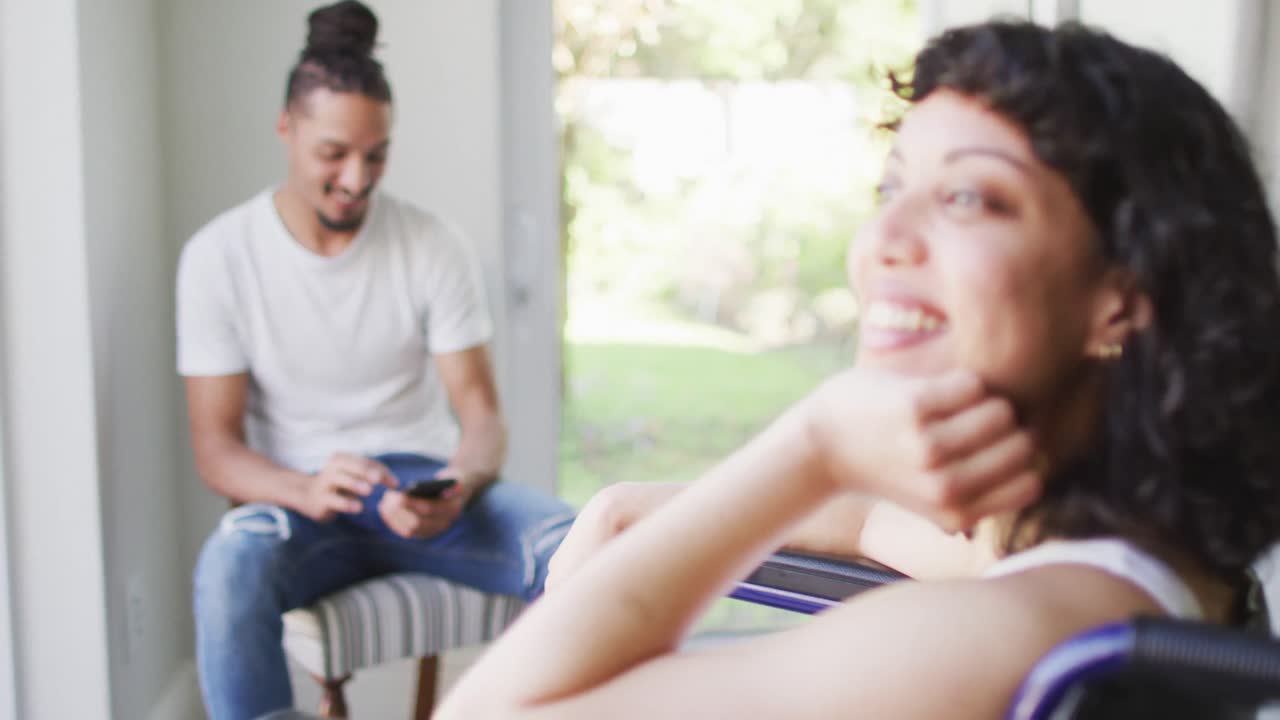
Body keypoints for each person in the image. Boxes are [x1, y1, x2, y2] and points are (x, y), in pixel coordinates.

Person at [437, 20, 1280, 719]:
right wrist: (630, 509)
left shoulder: (972, 644)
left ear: (1120, 297)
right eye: (890, 191)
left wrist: (813, 447)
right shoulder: (1151, 570)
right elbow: (880, 527)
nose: (880, 242)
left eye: (967, 198)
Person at [176, 3, 575, 718]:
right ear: (286, 128)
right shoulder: (218, 257)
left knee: (578, 546)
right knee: (230, 563)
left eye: (376, 154)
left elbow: (482, 417)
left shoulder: (432, 245)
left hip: (426, 491)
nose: (357, 178)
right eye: (333, 153)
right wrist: (305, 490)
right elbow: (217, 451)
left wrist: (458, 483)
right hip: (303, 502)